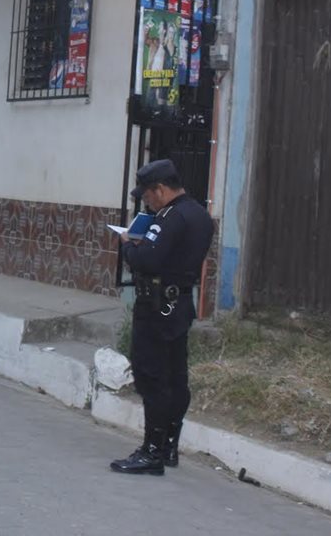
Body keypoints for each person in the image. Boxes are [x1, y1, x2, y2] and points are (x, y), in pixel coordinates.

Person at [110, 159, 213, 476]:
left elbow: (147, 260)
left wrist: (128, 245)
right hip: (179, 305)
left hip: (156, 308)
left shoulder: (170, 218)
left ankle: (151, 451)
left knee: (151, 377)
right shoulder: (200, 216)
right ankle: (168, 446)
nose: (146, 202)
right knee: (175, 377)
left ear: (161, 189)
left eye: (147, 196)